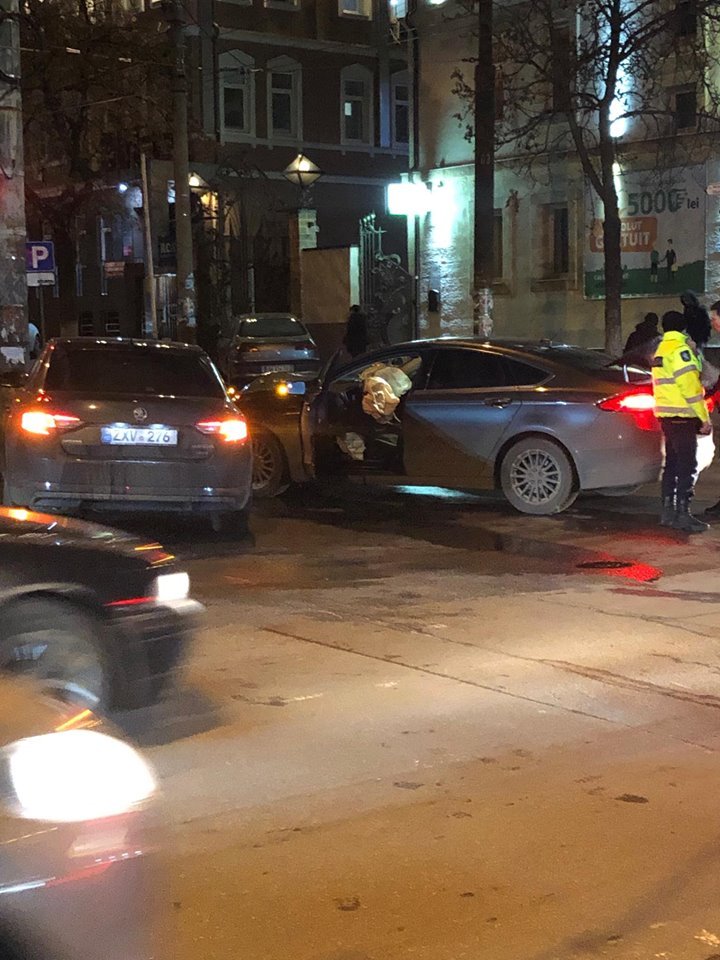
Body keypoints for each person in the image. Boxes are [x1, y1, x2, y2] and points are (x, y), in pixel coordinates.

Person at [651, 310, 711, 532]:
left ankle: (668, 513)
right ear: (683, 328)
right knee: (687, 465)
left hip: (666, 416)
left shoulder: (661, 349)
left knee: (672, 465)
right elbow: (691, 387)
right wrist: (704, 418)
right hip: (683, 417)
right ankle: (683, 514)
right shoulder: (681, 350)